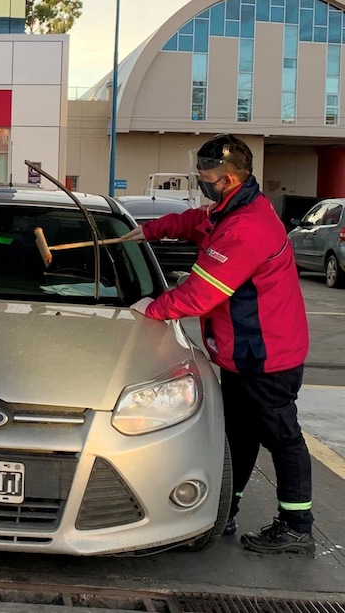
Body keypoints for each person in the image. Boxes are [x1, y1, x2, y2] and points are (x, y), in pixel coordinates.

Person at [124, 134, 314, 555]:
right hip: (243, 352)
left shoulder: (247, 228)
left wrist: (151, 309)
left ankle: (297, 527)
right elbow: (197, 221)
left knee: (282, 436)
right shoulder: (232, 209)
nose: (200, 182)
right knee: (240, 435)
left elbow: (199, 295)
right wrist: (152, 230)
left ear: (226, 179)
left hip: (267, 354)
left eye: (204, 177)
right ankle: (226, 510)